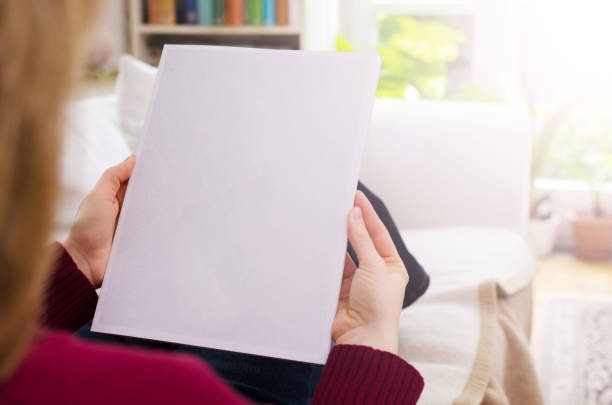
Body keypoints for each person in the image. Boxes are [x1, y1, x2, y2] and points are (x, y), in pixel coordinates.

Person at [0, 1, 424, 404]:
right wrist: (371, 338)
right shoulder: (183, 387)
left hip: (118, 319)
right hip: (206, 332)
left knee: (289, 191)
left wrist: (78, 261)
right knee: (314, 192)